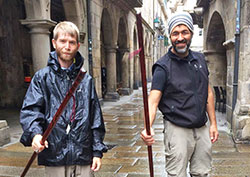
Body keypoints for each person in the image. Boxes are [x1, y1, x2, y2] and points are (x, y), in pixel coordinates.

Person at [20, 21, 107, 177]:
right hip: (55, 153)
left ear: (77, 45)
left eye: (72, 42)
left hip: (83, 154)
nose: (67, 46)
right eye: (63, 41)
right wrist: (35, 134)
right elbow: (31, 110)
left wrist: (97, 151)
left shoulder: (86, 80)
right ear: (54, 43)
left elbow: (95, 118)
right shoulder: (42, 78)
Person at [141, 12, 219, 177]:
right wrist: (147, 127)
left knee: (203, 173)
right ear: (170, 36)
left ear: (191, 33)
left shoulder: (200, 59)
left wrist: (213, 123)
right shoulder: (162, 66)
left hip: (201, 127)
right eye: (175, 33)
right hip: (177, 129)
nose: (180, 37)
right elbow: (152, 102)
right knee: (177, 174)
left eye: (185, 32)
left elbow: (208, 92)